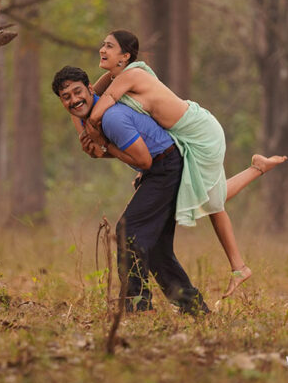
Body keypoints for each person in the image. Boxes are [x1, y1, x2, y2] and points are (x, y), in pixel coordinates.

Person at [82, 30, 287, 298]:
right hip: (179, 135)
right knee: (208, 196)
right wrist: (75, 101)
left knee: (212, 201)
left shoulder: (131, 75)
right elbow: (86, 97)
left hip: (200, 133)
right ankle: (257, 169)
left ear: (125, 56)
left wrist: (92, 133)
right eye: (102, 45)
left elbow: (97, 112)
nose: (102, 50)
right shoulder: (115, 76)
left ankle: (239, 266)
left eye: (109, 46)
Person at [52, 66, 209, 315]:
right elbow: (112, 149)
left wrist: (103, 146)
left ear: (91, 89)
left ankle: (137, 306)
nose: (74, 100)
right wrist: (96, 149)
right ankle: (195, 308)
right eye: (66, 97)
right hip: (158, 167)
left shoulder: (111, 117)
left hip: (165, 167)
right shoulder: (85, 115)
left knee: (129, 231)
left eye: (77, 92)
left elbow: (143, 160)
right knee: (156, 247)